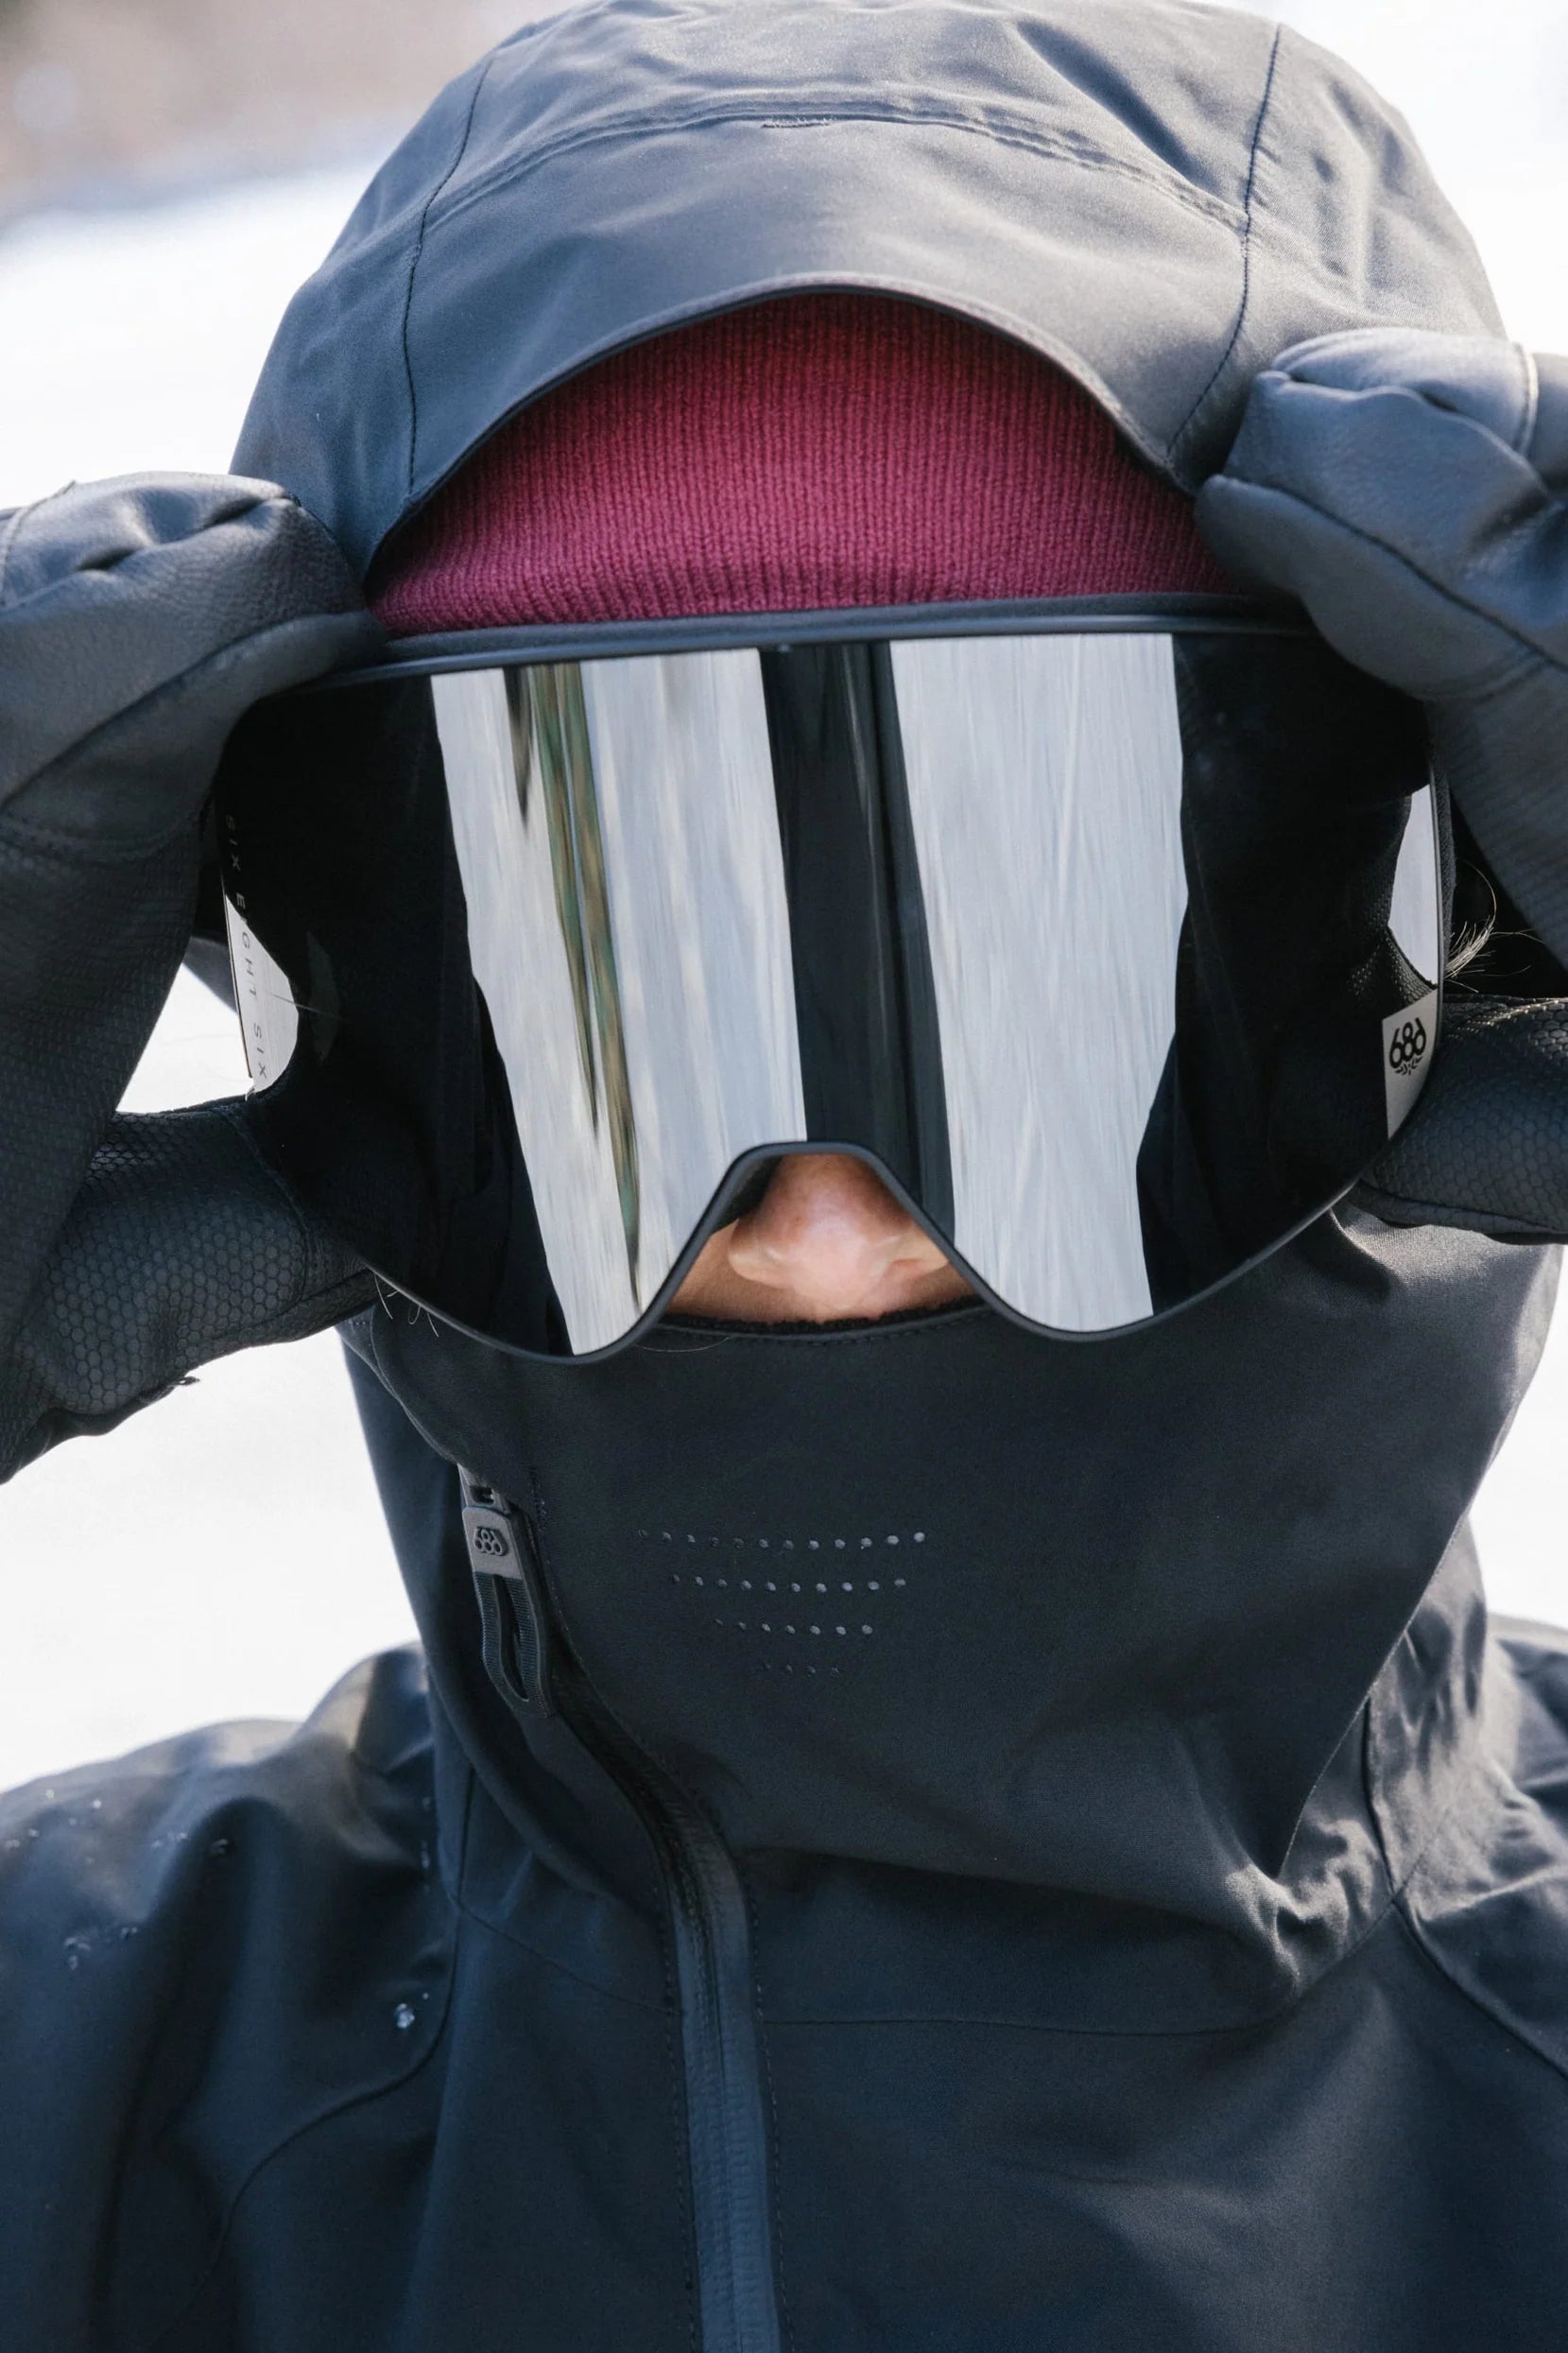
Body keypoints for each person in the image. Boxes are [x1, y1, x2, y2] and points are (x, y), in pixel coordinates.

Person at [3, 2, 1568, 2345]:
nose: (825, 1240)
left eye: (1031, 992)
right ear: (360, 993)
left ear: (1411, 938)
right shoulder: (76, 2075)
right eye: (620, 1007)